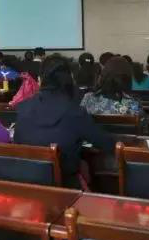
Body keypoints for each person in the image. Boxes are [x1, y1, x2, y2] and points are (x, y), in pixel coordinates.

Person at [14, 54, 114, 188]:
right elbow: (106, 143)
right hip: (65, 188)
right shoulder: (75, 112)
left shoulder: (23, 107)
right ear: (70, 79)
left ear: (40, 79)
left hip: (25, 182)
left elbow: (18, 140)